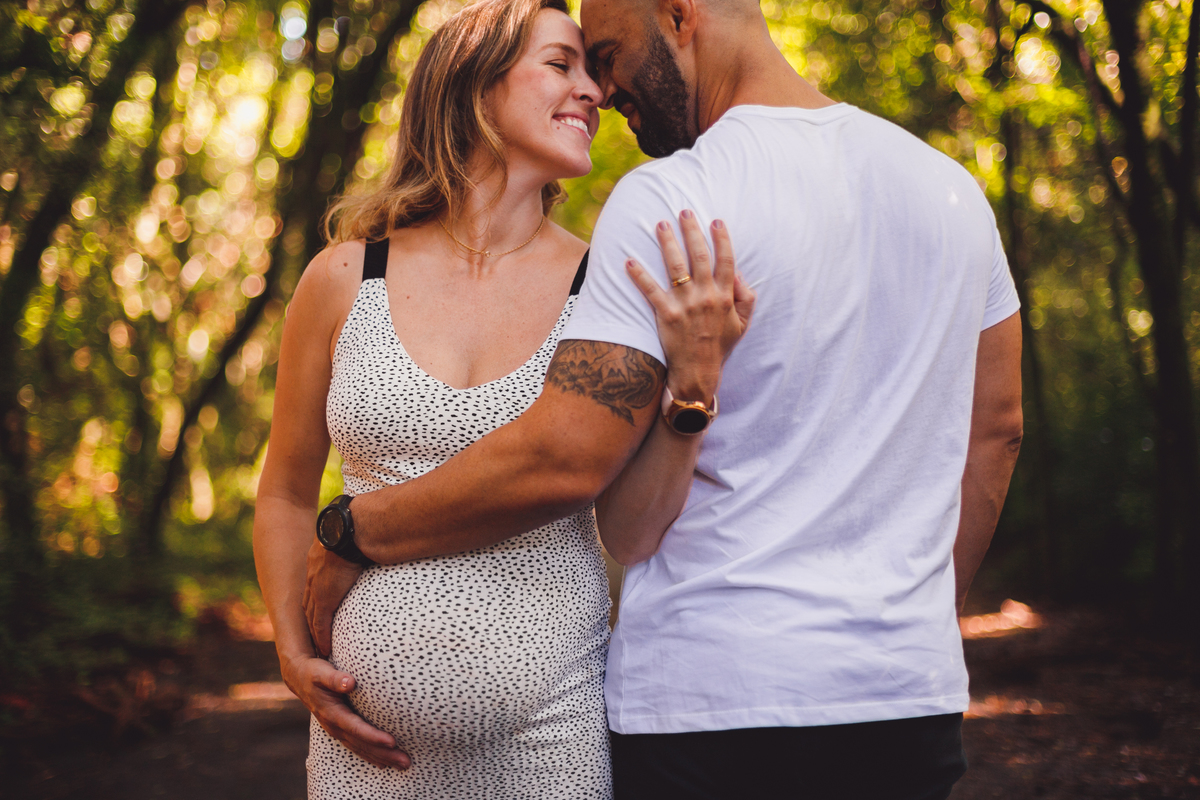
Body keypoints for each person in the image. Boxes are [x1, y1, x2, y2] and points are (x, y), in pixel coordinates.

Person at [303, 0, 1025, 797]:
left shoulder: (675, 202)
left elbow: (577, 471)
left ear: (679, 15)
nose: (604, 91)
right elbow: (997, 433)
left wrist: (352, 531)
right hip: (901, 700)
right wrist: (916, 620)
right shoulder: (953, 194)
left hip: (709, 702)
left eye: (607, 56)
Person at [253, 0, 753, 797]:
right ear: (474, 82)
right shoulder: (344, 277)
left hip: (551, 747)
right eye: (561, 64)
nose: (595, 90)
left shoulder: (608, 289)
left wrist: (692, 389)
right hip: (360, 762)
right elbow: (284, 488)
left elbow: (630, 524)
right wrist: (290, 650)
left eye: (594, 71)